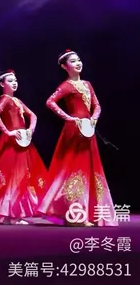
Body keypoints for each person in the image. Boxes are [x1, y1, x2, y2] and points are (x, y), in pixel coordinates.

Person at [38, 50, 116, 226]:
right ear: (65, 67)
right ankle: (76, 216)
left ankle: (90, 214)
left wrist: (94, 118)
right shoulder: (66, 86)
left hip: (88, 129)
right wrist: (69, 117)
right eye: (73, 61)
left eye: (79, 60)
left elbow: (97, 105)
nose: (78, 63)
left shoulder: (87, 84)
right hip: (74, 131)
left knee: (90, 169)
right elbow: (50, 102)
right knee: (75, 169)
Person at [0, 70, 48, 224]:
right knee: (15, 177)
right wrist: (8, 132)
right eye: (10, 81)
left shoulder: (17, 101)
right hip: (13, 143)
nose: (14, 83)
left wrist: (30, 129)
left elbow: (33, 115)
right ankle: (13, 215)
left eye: (15, 80)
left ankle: (10, 215)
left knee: (16, 177)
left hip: (22, 141)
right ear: (2, 84)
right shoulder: (6, 99)